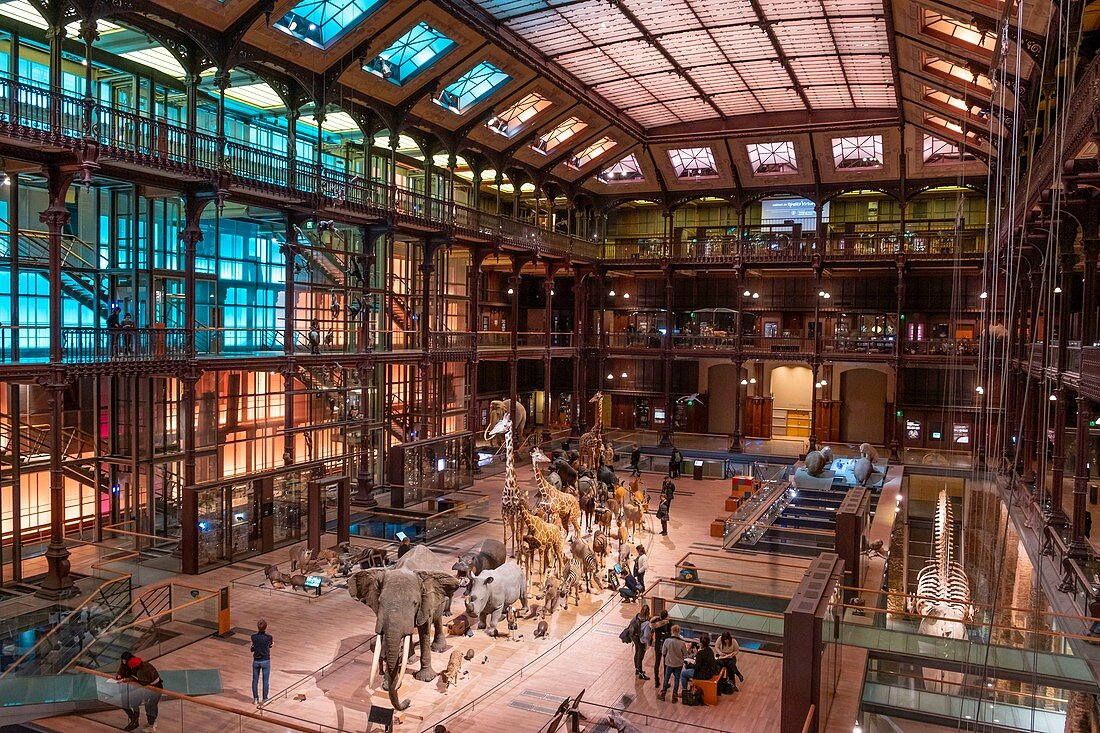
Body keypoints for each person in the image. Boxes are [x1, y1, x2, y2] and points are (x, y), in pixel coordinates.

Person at [116, 651, 162, 732]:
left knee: (150, 706)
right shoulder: (135, 666)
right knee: (140, 704)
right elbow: (135, 678)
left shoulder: (142, 670)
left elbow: (142, 681)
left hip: (154, 688)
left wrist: (126, 679)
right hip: (146, 688)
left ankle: (151, 725)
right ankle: (147, 722)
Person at [657, 624, 689, 702]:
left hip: (669, 663)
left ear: (672, 631)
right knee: (677, 679)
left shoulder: (667, 641)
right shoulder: (682, 643)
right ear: (679, 631)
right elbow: (685, 654)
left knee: (666, 678)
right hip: (678, 664)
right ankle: (674, 696)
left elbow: (663, 652)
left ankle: (663, 693)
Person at [251, 619, 273, 706]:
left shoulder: (253, 637)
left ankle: (255, 699)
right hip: (265, 661)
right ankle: (265, 699)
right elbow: (270, 645)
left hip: (256, 661)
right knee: (265, 680)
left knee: (255, 680)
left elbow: (254, 645)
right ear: (265, 627)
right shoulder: (269, 637)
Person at [627, 604, 650, 680]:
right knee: (640, 656)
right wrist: (648, 642)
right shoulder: (646, 622)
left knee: (637, 653)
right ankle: (640, 673)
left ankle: (637, 669)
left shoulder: (636, 617)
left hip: (635, 638)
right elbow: (646, 635)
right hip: (641, 640)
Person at [650, 611, 672, 688]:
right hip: (665, 645)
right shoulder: (668, 623)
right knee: (665, 664)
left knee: (657, 663)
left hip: (657, 645)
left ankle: (656, 681)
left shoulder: (656, 623)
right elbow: (670, 633)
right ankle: (665, 682)